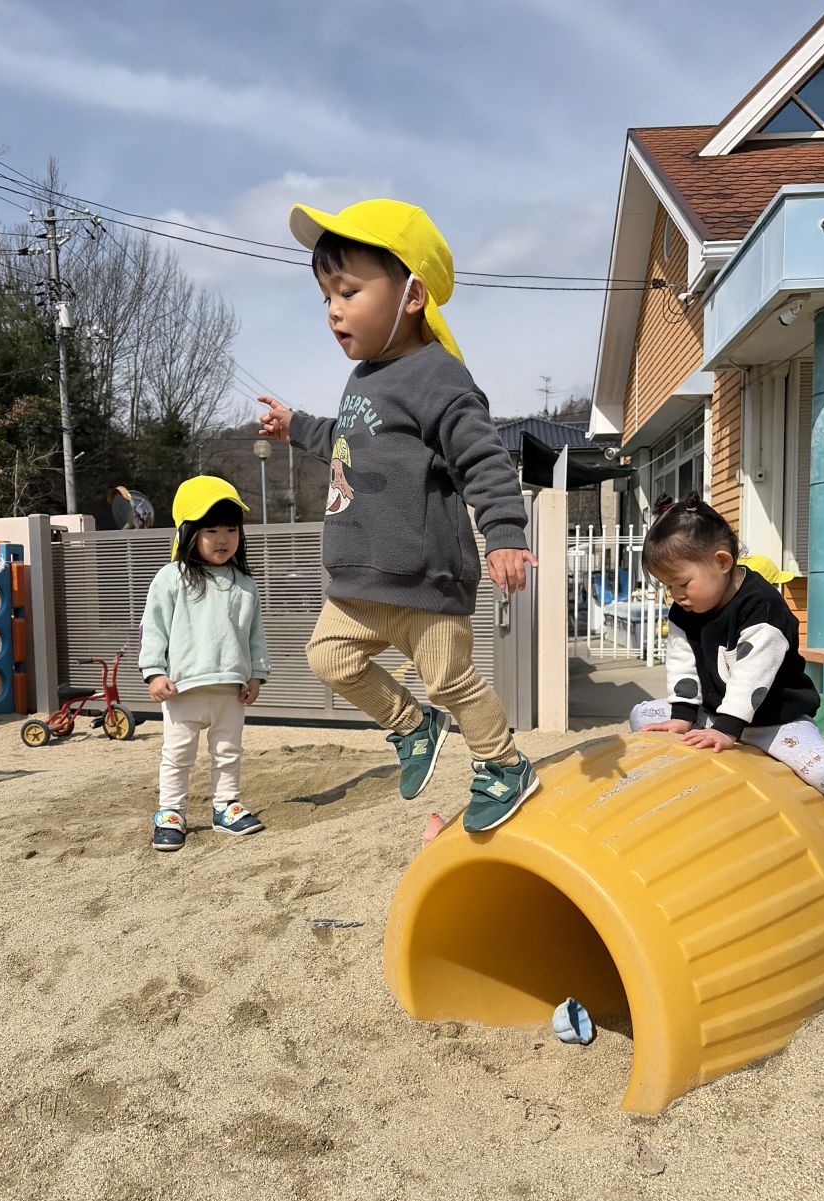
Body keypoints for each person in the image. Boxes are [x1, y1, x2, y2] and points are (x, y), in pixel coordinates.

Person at [257, 198, 539, 833]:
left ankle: (503, 764)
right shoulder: (366, 378)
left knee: (450, 679)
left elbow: (482, 458)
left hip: (424, 579)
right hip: (360, 579)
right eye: (326, 294)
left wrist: (504, 533)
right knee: (329, 658)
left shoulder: (441, 378)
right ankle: (412, 726)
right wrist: (295, 426)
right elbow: (350, 437)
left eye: (349, 290)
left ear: (412, 295)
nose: (333, 309)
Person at [630, 493, 824, 893]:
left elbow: (753, 676)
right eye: (667, 587)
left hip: (771, 718)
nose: (675, 596)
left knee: (823, 768)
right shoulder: (685, 611)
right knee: (644, 715)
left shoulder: (762, 607)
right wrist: (683, 714)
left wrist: (727, 729)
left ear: (721, 562)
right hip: (716, 712)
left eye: (681, 583)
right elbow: (683, 661)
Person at [139, 476, 271, 851]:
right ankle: (171, 812)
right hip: (183, 689)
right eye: (211, 529)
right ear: (187, 532)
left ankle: (226, 806)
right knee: (178, 754)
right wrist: (154, 673)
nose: (223, 537)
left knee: (228, 751)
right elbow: (153, 629)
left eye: (231, 529)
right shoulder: (171, 578)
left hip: (231, 688)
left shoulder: (244, 584)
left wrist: (256, 675)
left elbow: (255, 635)